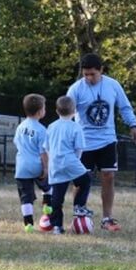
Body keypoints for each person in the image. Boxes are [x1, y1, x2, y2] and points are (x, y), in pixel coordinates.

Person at [66, 53, 136, 232]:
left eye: (93, 74)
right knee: (80, 181)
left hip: (107, 140)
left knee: (108, 176)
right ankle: (78, 215)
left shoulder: (113, 85)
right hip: (83, 143)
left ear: (101, 70)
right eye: (86, 75)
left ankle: (107, 218)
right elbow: (66, 113)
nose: (89, 78)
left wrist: (133, 125)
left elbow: (124, 106)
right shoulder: (76, 89)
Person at [44, 96, 92, 235]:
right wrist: (75, 162)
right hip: (71, 161)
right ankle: (79, 206)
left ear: (57, 111)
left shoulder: (51, 126)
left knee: (57, 199)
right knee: (85, 180)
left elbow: (46, 147)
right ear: (74, 111)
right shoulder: (76, 127)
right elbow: (79, 149)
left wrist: (52, 160)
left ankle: (57, 226)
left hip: (55, 164)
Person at [13, 94, 52, 233]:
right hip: (36, 164)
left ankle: (28, 224)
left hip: (21, 166)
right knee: (48, 187)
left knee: (26, 197)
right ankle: (47, 205)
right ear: (40, 111)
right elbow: (43, 152)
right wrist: (46, 168)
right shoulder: (41, 130)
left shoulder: (20, 127)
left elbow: (17, 143)